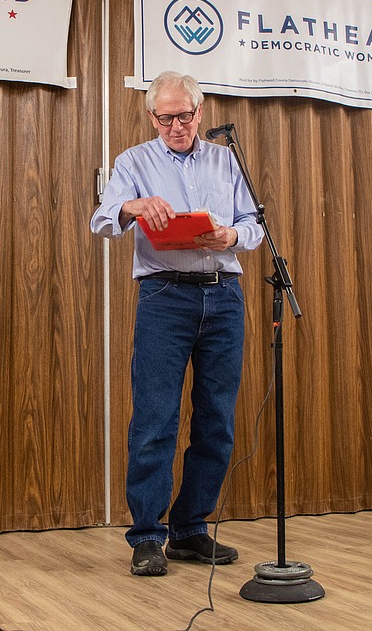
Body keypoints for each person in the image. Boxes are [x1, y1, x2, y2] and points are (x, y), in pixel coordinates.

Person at [90, 71, 264, 576]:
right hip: (164, 297)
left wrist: (231, 236)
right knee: (155, 419)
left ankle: (190, 530)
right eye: (164, 118)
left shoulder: (225, 158)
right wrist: (132, 205)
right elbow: (102, 218)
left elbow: (256, 223)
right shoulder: (133, 161)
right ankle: (147, 536)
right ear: (152, 117)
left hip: (224, 295)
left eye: (184, 117)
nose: (175, 127)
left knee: (216, 421)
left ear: (200, 113)